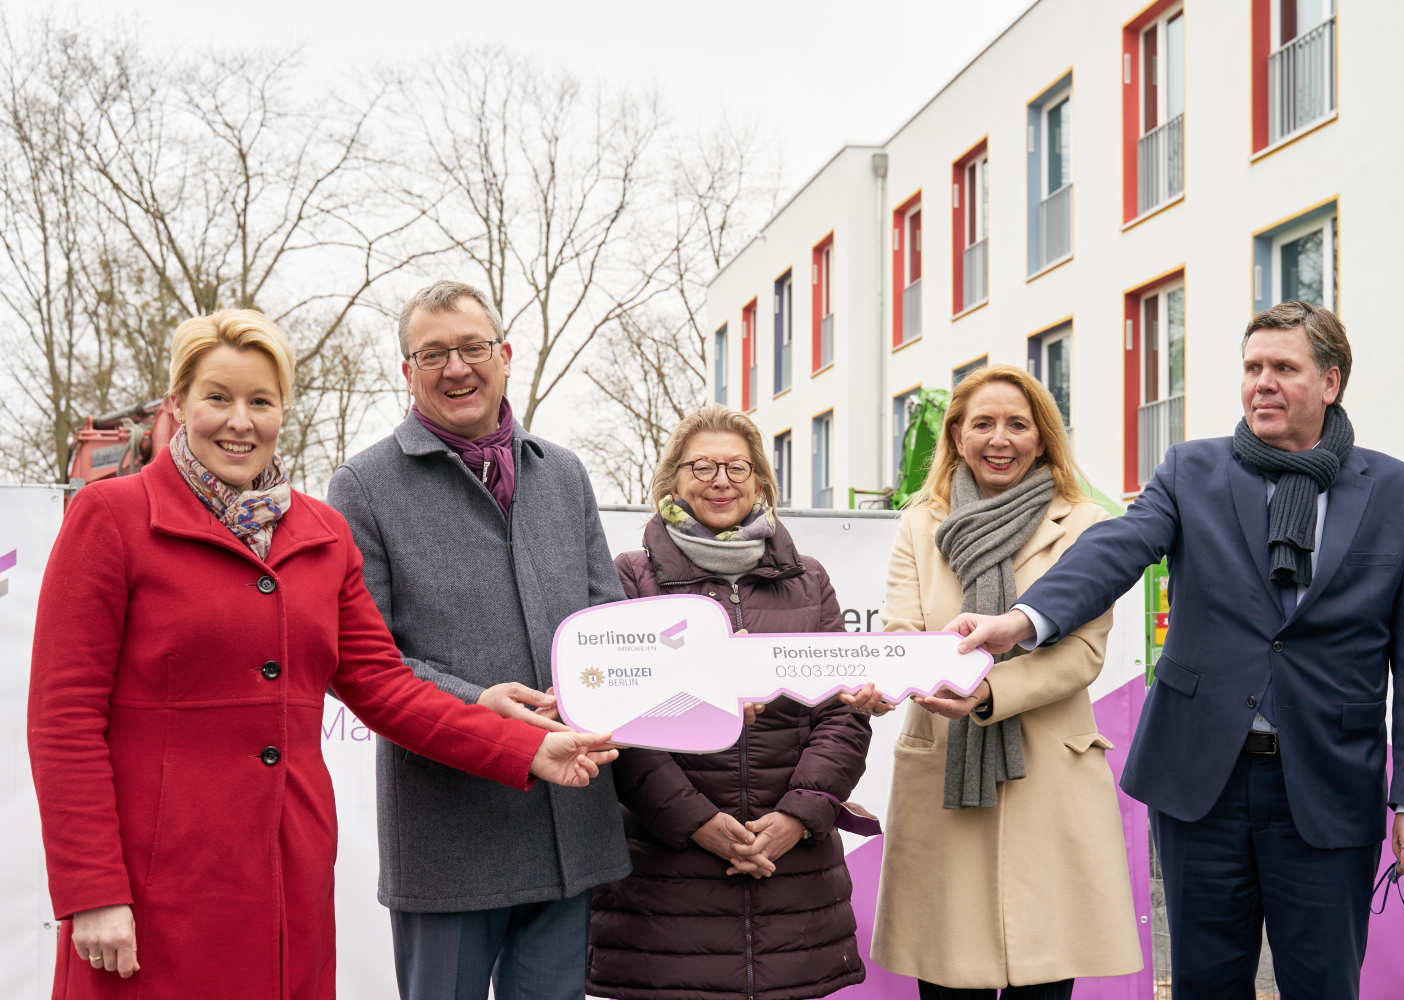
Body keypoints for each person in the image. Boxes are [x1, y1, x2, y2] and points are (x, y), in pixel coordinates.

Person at [27, 309, 617, 1000]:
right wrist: (93, 889)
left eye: (261, 401)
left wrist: (520, 749)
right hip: (155, 884)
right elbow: (63, 721)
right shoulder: (112, 518)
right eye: (218, 398)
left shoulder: (321, 531)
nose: (239, 421)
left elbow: (384, 687)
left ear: (283, 411)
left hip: (289, 875)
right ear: (179, 404)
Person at [950, 303, 1404, 1000]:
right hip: (1201, 784)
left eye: (1284, 368)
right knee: (1204, 984)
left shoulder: (1403, 495)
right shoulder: (1193, 470)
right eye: (1253, 369)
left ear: (1330, 383)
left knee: (1324, 984)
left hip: (1329, 786)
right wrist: (1023, 620)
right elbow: (1116, 549)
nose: (1262, 384)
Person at [326, 280, 630, 1000]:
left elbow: (606, 622)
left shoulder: (565, 474)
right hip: (449, 832)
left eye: (472, 347)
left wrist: (691, 688)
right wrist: (477, 701)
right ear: (406, 372)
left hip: (570, 824)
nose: (456, 368)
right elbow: (364, 658)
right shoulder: (362, 485)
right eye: (433, 354)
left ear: (506, 355)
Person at [842, 364, 1141, 999]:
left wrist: (990, 694)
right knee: (950, 980)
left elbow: (1083, 653)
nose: (999, 439)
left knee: (1044, 979)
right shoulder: (921, 523)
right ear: (955, 435)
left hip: (1048, 775)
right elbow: (901, 631)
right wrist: (889, 678)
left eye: (1017, 424)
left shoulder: (1083, 522)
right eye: (982, 423)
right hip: (945, 768)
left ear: (1042, 437)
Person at [586, 404, 873, 1000]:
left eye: (737, 467)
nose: (721, 480)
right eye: (703, 466)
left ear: (762, 483)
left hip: (793, 876)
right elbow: (617, 718)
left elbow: (841, 709)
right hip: (666, 882)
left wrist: (798, 816)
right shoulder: (631, 578)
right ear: (671, 483)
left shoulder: (810, 580)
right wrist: (696, 823)